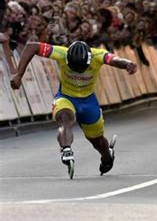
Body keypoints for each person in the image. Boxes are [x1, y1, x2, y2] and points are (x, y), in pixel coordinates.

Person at [10, 41, 137, 178]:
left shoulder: (98, 55)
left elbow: (114, 59)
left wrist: (126, 64)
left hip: (88, 102)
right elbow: (31, 46)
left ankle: (107, 156)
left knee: (98, 142)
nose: (77, 71)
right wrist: (19, 74)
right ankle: (66, 150)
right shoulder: (62, 53)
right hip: (66, 97)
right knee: (65, 118)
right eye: (73, 68)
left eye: (81, 69)